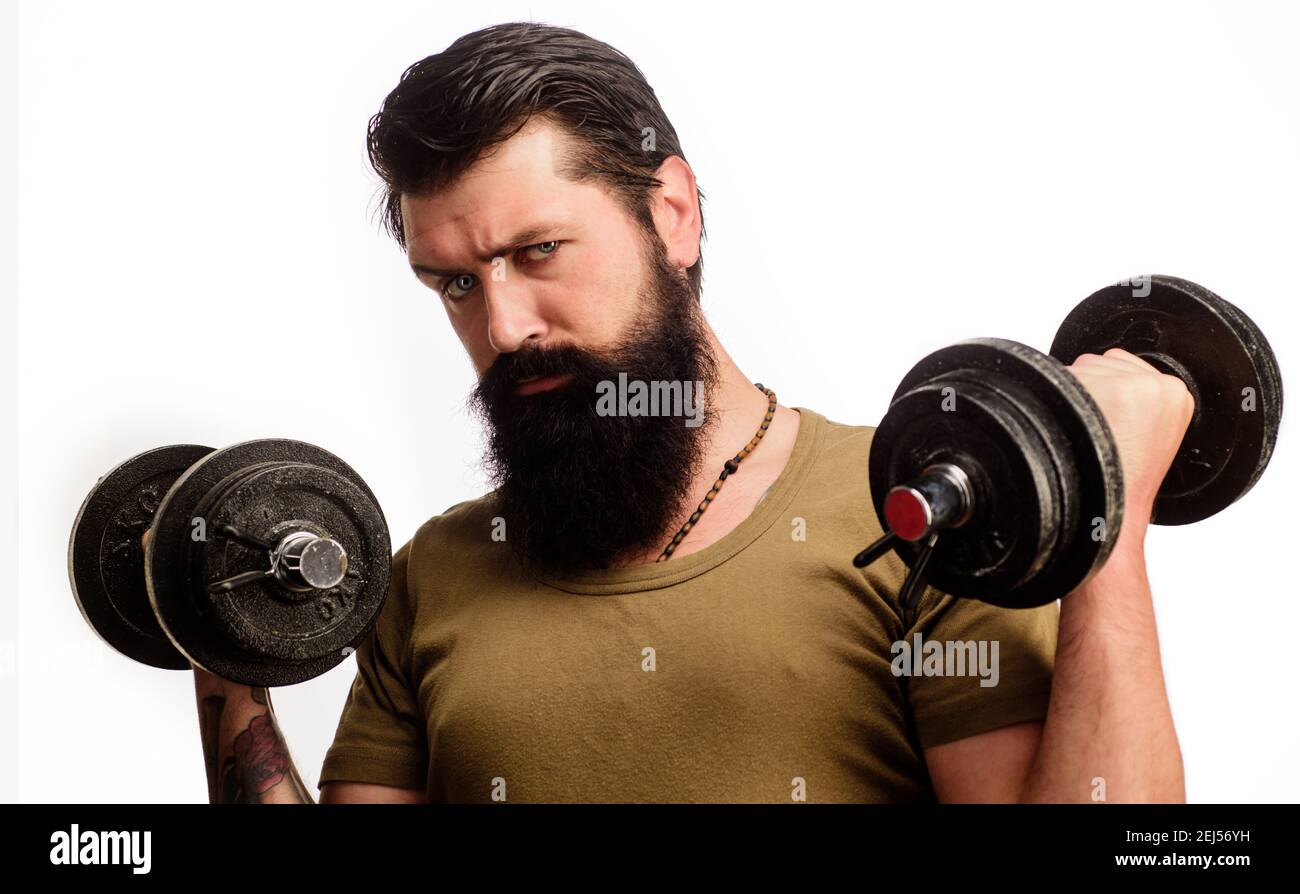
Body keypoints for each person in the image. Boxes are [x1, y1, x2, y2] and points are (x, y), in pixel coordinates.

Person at [194, 22, 1191, 804]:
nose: (501, 325)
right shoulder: (432, 577)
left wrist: (1110, 522)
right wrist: (215, 632)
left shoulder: (921, 520)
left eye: (536, 252)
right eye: (451, 284)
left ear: (671, 213)